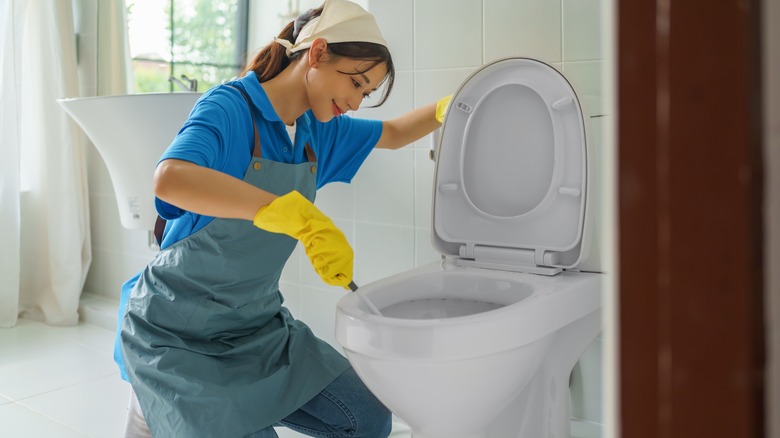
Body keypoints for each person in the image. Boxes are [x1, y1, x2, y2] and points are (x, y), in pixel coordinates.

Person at [115, 0, 449, 437]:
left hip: (256, 329)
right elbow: (170, 179)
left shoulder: (317, 130)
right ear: (317, 53)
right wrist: (283, 210)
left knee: (367, 420)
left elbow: (394, 132)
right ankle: (152, 405)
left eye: (365, 93)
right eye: (355, 82)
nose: (355, 100)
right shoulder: (231, 108)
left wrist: (453, 106)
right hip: (177, 333)